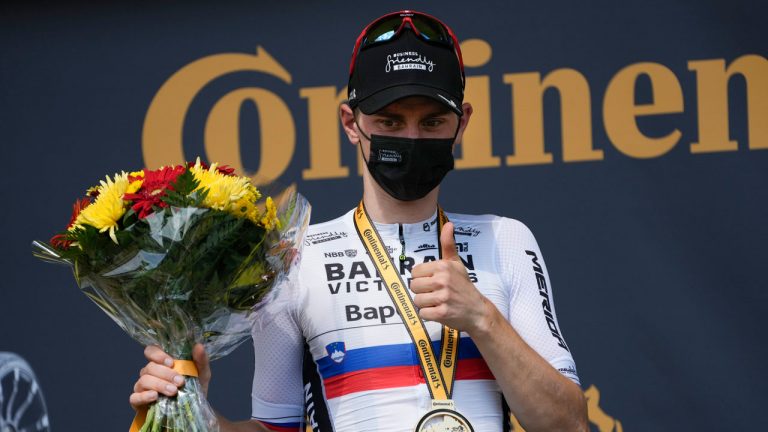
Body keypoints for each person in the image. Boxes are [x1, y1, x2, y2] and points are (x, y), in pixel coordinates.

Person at [130, 10, 588, 432]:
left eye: (431, 123)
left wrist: (483, 319)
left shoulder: (505, 240)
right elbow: (276, 427)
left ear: (462, 123)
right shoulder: (296, 257)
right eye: (389, 121)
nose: (411, 138)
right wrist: (194, 413)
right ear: (351, 123)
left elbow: (568, 424)